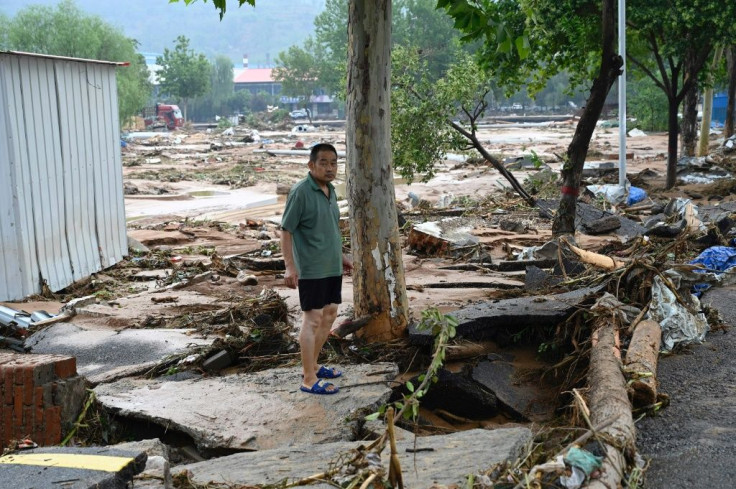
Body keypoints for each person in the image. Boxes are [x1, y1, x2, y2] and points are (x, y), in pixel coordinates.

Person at [280, 143, 353, 395]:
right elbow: (286, 230)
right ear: (311, 165)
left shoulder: (330, 190)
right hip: (311, 268)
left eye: (333, 163)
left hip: (332, 265)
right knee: (312, 320)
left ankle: (313, 364)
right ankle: (308, 379)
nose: (330, 168)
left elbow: (329, 228)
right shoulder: (301, 191)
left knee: (330, 314)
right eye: (323, 162)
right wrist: (290, 267)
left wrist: (342, 255)